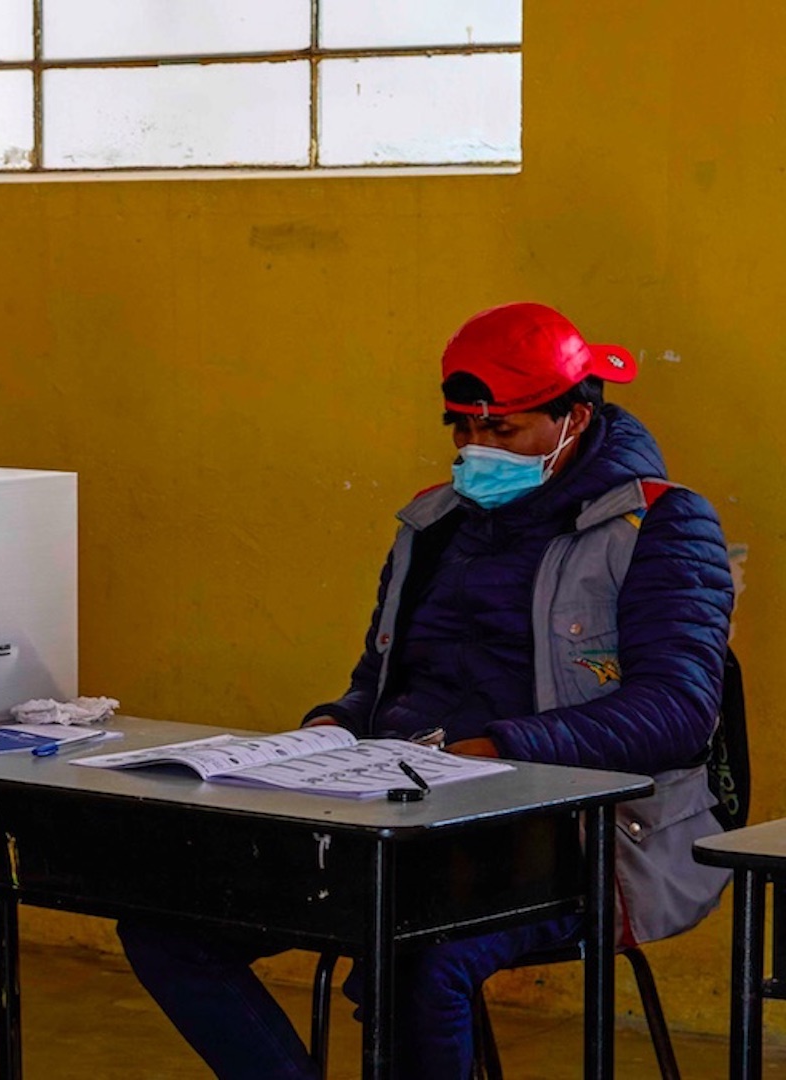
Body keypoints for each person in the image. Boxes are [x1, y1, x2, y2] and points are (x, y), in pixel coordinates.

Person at [116, 302, 735, 1079]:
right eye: (461, 429)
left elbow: (677, 714)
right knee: (169, 925)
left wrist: (497, 749)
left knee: (417, 956)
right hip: (403, 812)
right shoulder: (435, 523)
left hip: (577, 837)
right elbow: (382, 682)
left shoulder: (660, 524)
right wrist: (330, 726)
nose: (476, 450)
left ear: (573, 418)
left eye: (502, 431)